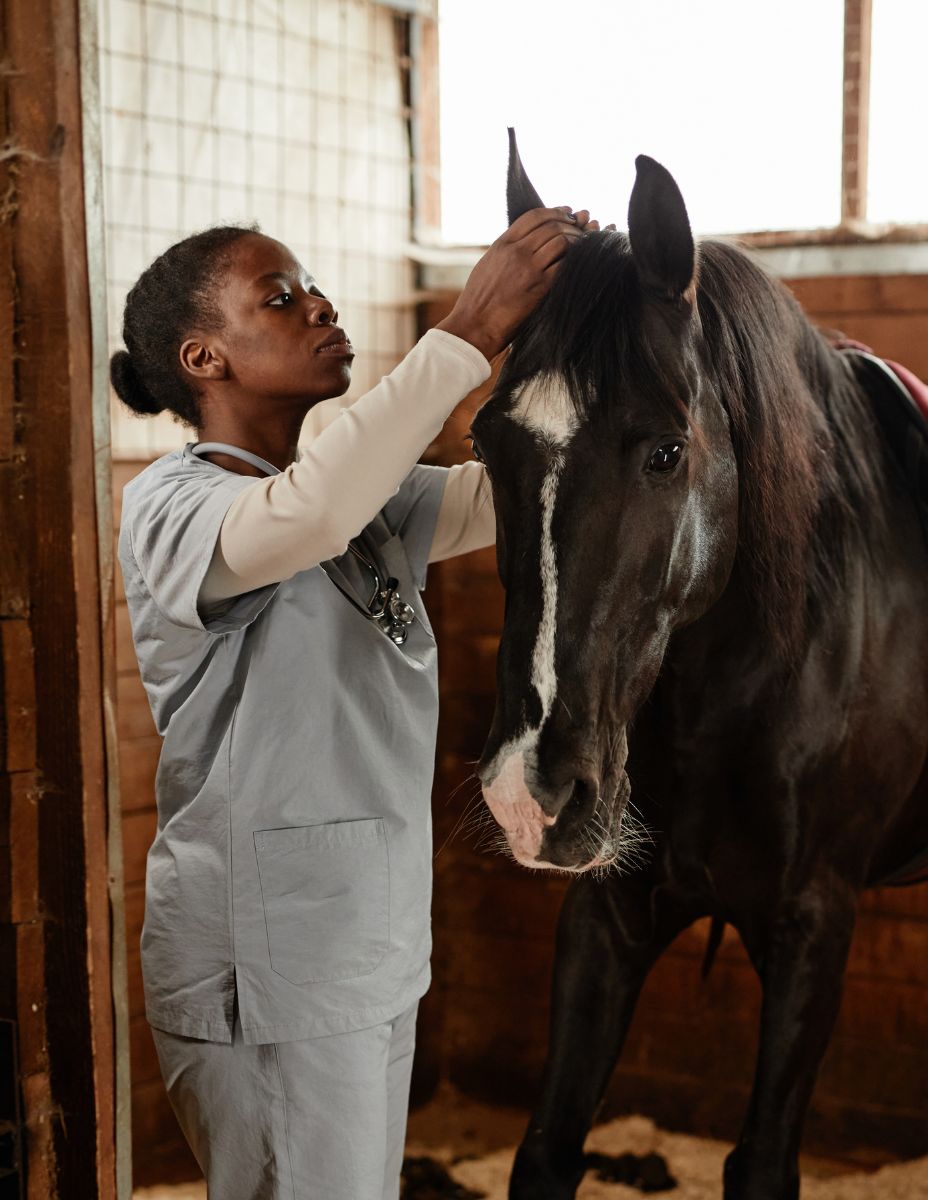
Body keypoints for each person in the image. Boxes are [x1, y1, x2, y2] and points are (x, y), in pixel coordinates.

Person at [113, 205, 596, 1199]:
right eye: (278, 298)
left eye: (312, 286)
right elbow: (312, 514)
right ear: (205, 359)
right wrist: (465, 331)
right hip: (270, 960)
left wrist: (571, 336)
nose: (318, 305)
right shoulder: (175, 504)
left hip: (363, 943)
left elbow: (520, 496)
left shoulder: (359, 495)